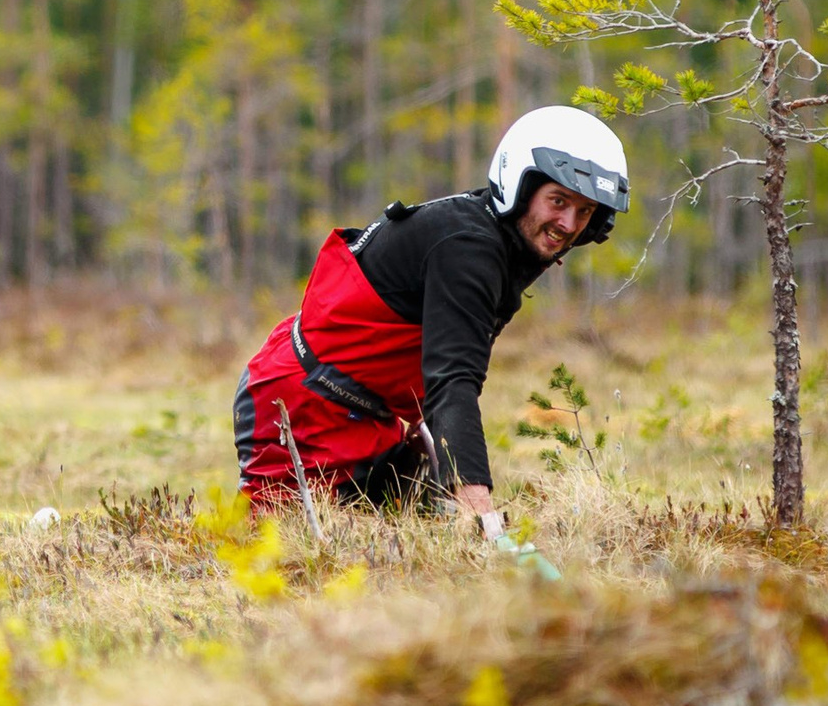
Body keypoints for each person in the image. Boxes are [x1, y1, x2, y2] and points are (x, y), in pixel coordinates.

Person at [232, 105, 629, 545]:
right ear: (521, 185)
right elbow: (453, 378)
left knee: (408, 547)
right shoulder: (468, 248)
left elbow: (431, 368)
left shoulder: (501, 242)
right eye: (558, 201)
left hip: (368, 419)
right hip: (299, 405)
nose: (568, 225)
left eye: (585, 211)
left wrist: (435, 466)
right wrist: (481, 511)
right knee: (278, 553)